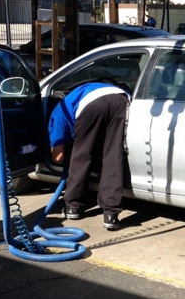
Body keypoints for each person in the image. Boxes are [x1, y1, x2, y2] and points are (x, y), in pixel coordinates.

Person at [48, 82, 130, 230]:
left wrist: (69, 156)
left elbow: (58, 156)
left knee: (82, 155)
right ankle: (111, 214)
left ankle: (73, 206)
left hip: (92, 103)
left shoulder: (57, 114)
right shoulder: (76, 96)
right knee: (113, 156)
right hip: (121, 99)